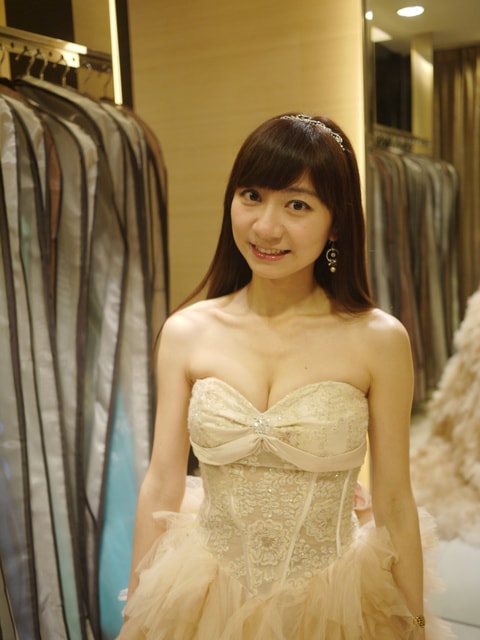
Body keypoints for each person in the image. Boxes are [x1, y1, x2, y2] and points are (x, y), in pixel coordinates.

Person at [117, 114, 453, 639]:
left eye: (297, 205)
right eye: (252, 196)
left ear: (337, 223)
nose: (266, 227)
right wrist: (136, 608)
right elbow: (161, 482)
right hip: (204, 593)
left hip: (336, 601)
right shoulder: (187, 331)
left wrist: (414, 622)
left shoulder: (379, 340)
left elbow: (393, 501)